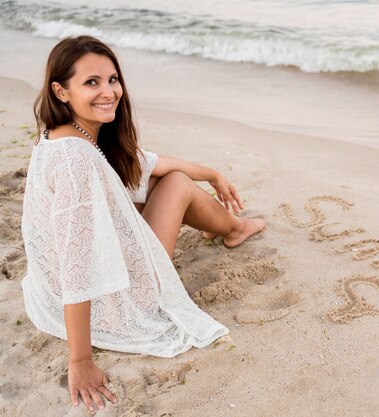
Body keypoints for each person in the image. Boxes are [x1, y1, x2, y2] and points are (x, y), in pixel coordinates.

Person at [21, 35, 265, 412]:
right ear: (61, 91)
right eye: (91, 82)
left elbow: (143, 163)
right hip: (115, 299)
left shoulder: (64, 135)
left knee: (158, 181)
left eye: (112, 79)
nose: (109, 92)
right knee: (177, 186)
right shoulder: (76, 161)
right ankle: (234, 229)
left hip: (55, 290)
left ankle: (223, 223)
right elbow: (77, 264)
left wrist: (213, 174)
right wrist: (80, 361)